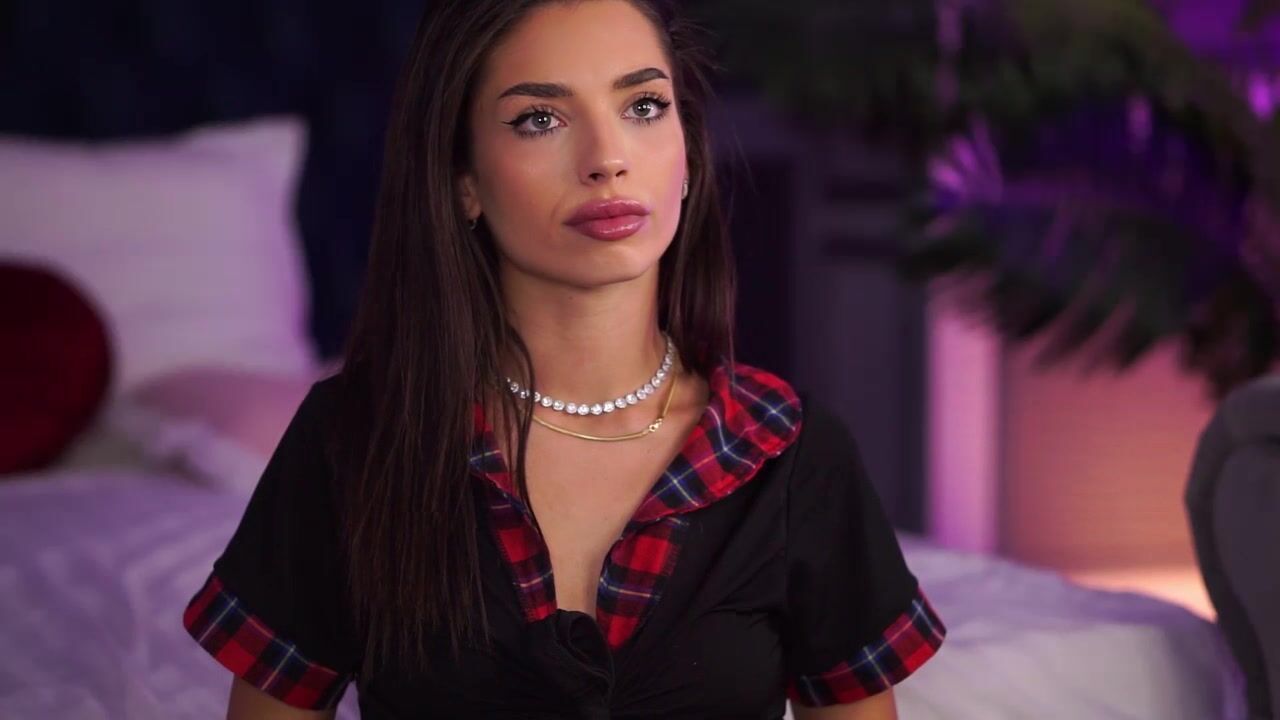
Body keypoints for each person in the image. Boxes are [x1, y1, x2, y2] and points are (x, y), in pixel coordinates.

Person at [181, 1, 945, 717]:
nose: (607, 159)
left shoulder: (791, 451)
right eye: (539, 119)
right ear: (463, 181)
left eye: (643, 106)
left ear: (687, 155)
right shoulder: (355, 438)